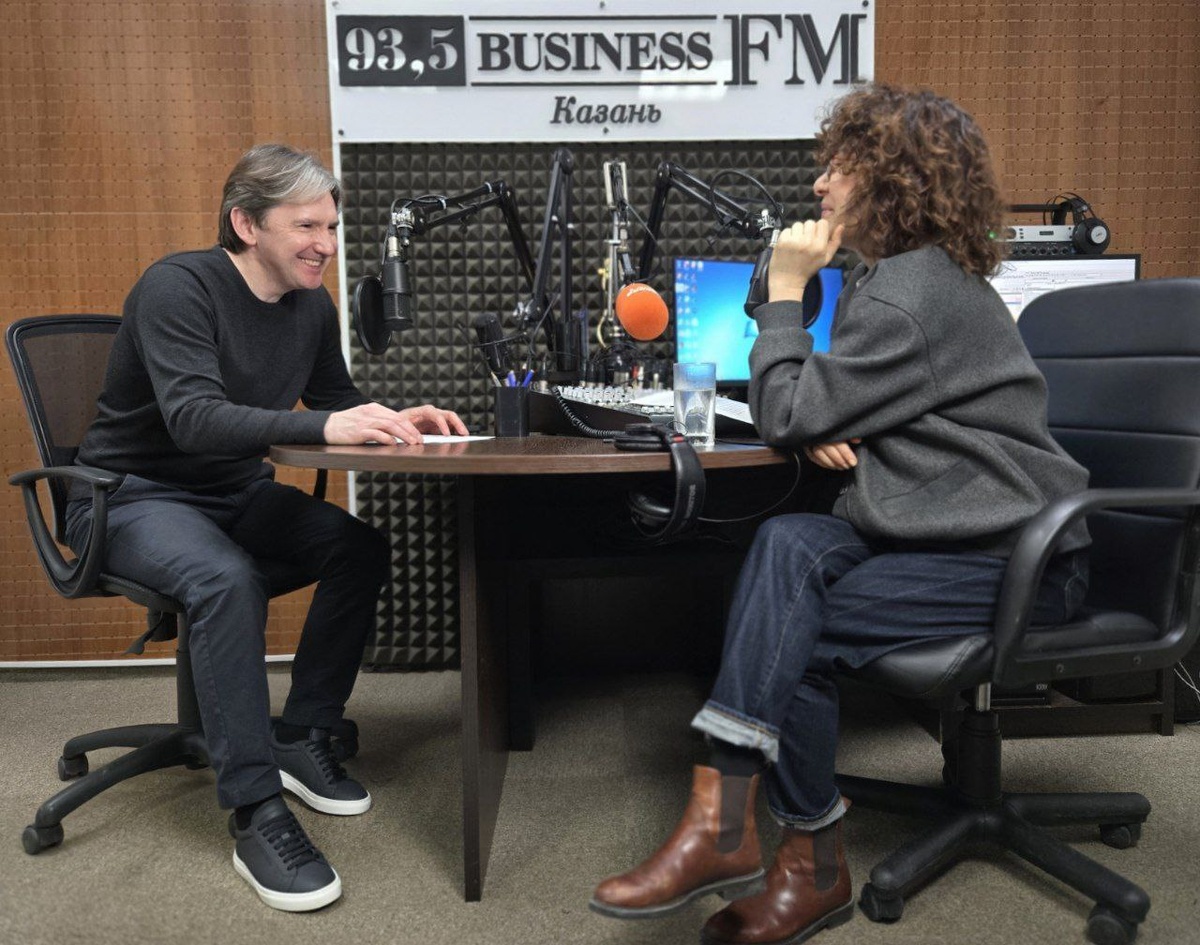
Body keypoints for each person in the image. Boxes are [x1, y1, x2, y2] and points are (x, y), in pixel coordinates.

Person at [590, 84, 1091, 944]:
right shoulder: (902, 279)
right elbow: (821, 406)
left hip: (1020, 561)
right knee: (789, 540)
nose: (819, 185)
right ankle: (732, 823)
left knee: (792, 632)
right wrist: (828, 409)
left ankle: (796, 855)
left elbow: (788, 411)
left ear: (896, 180)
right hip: (947, 529)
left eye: (840, 168)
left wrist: (788, 294)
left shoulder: (905, 293)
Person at [65, 143, 468, 912]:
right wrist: (329, 424)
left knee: (356, 547)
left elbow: (336, 401)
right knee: (226, 578)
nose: (326, 243)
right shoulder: (178, 288)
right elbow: (193, 418)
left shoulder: (310, 306)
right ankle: (256, 810)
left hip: (231, 493)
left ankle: (304, 732)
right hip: (132, 498)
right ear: (247, 224)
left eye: (331, 226)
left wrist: (393, 416)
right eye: (307, 225)